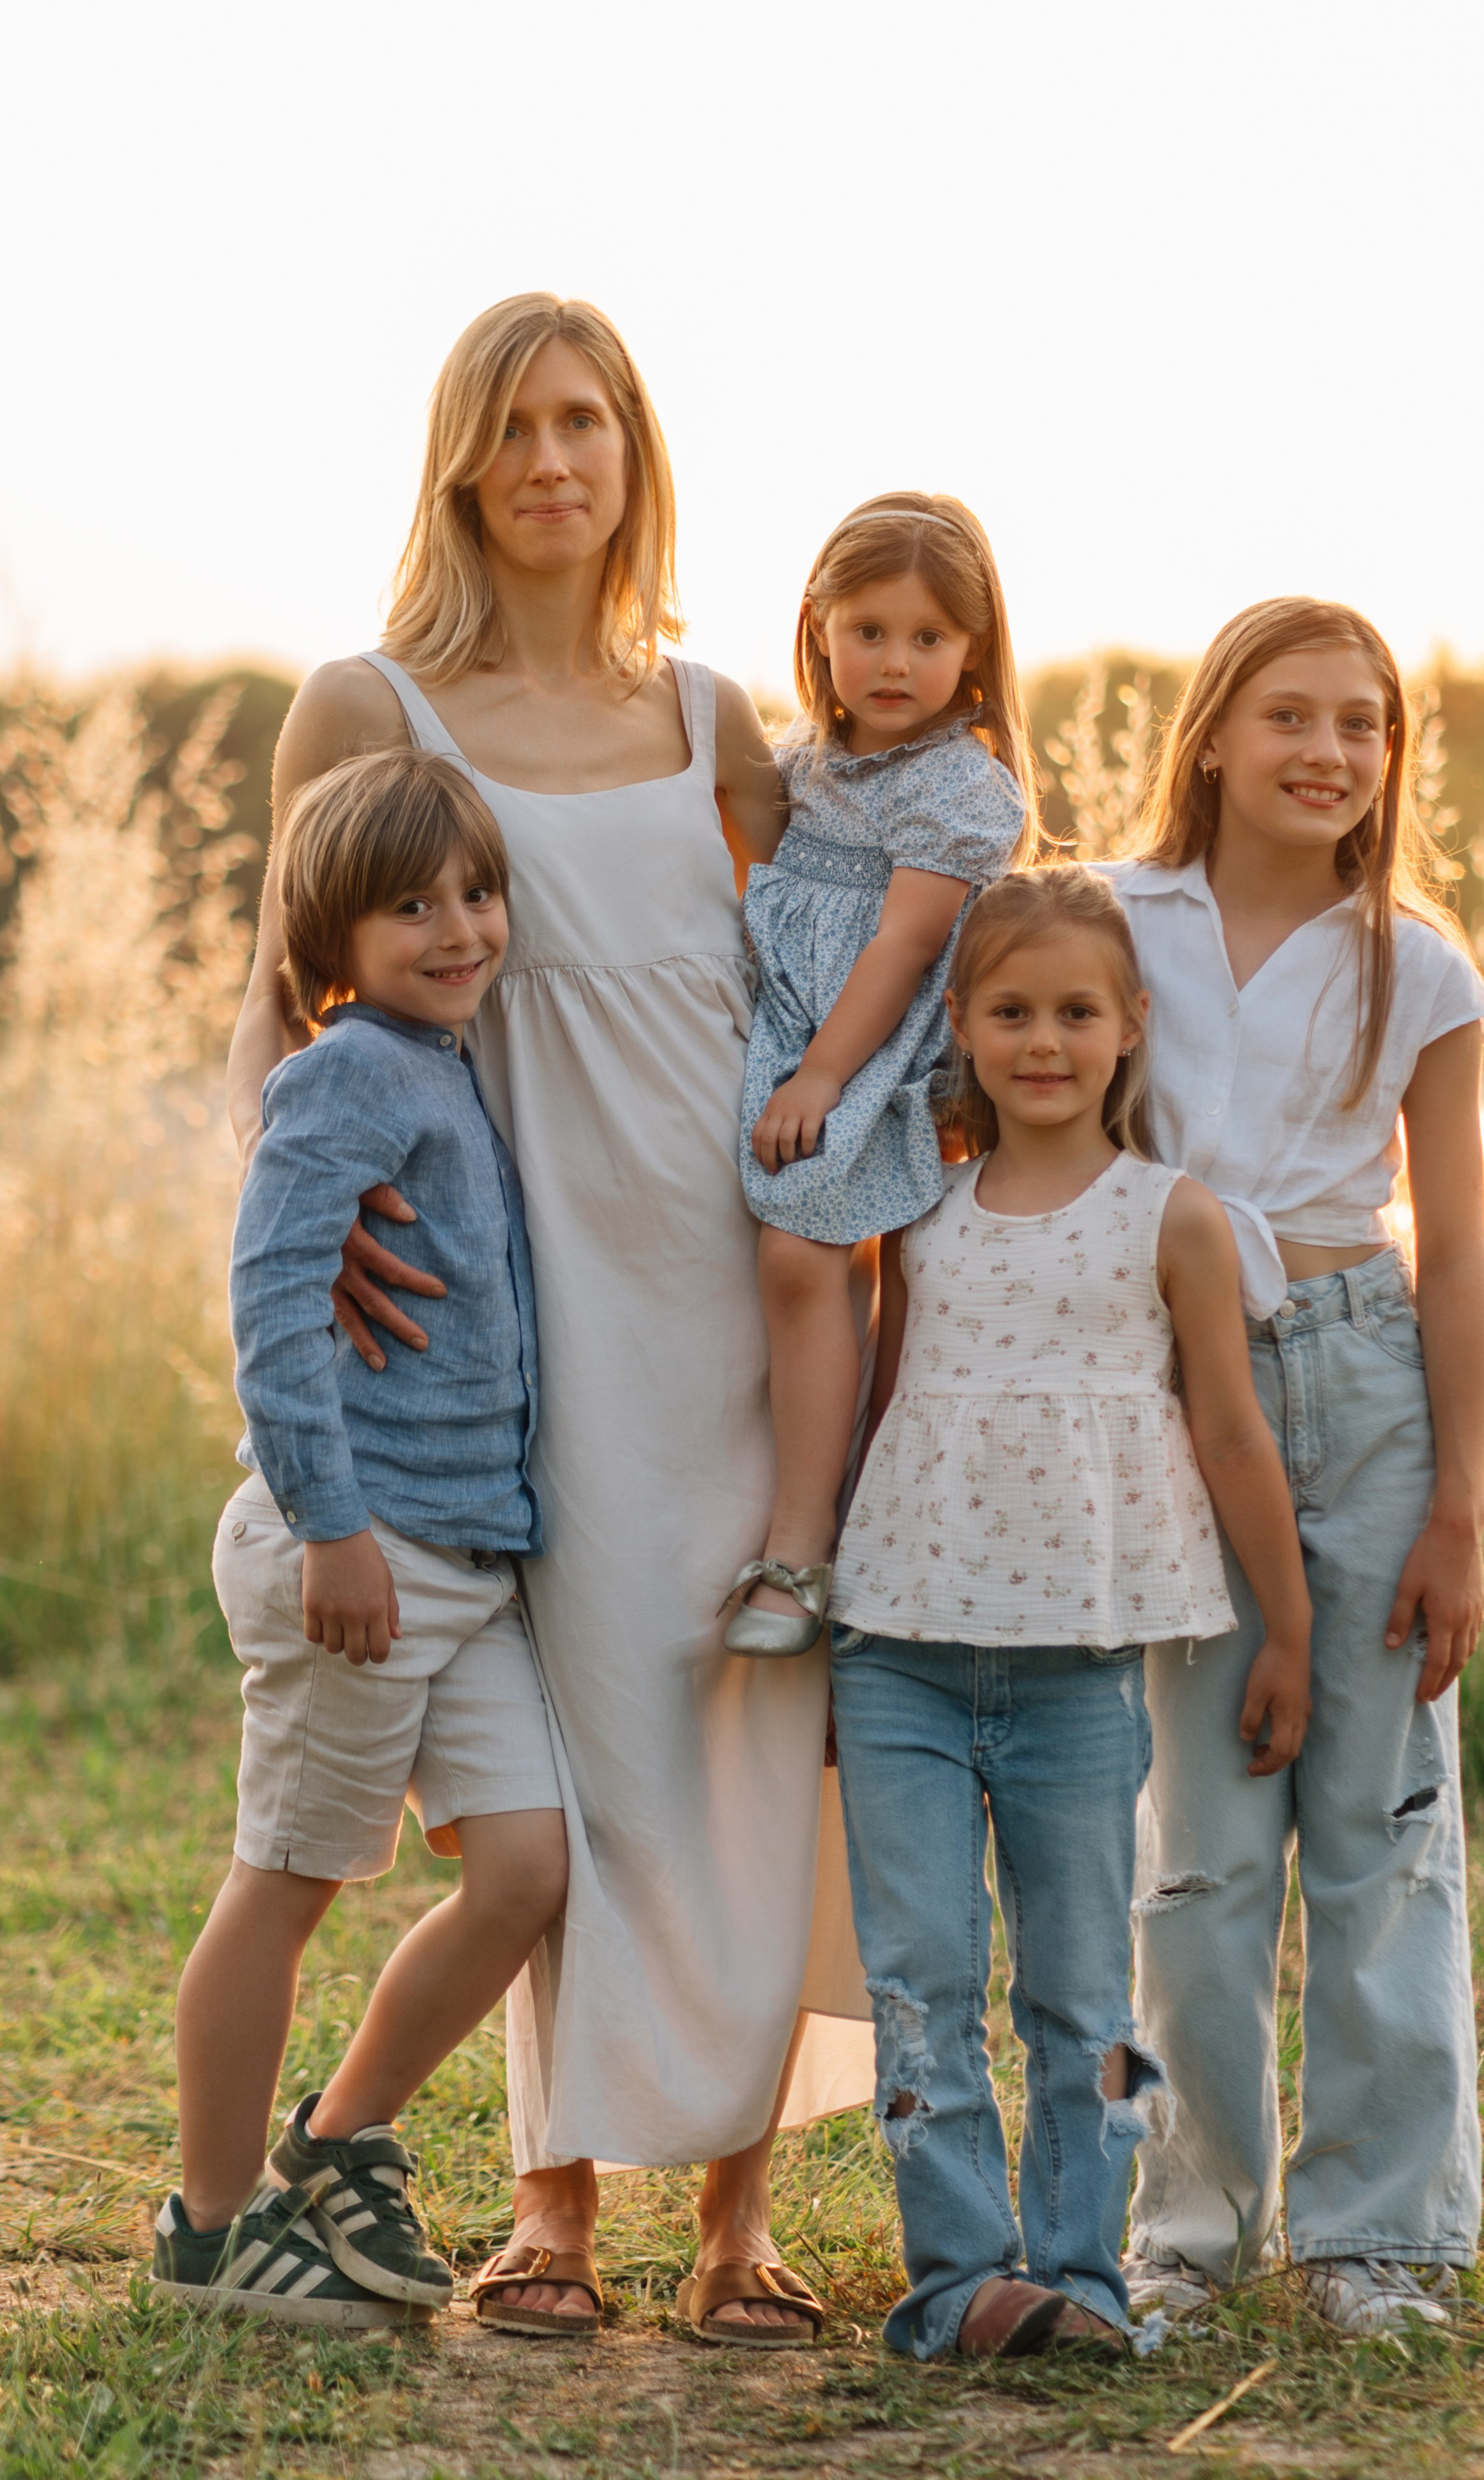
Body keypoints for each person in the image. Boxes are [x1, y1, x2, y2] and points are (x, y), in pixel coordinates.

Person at [226, 293, 871, 2347]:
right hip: (519, 1308)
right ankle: (550, 2211)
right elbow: (272, 1004)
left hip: (731, 1274)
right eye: (512, 425)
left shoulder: (714, 722)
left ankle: (740, 2220)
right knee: (581, 1750)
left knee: (755, 1725)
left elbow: (838, 987)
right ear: (458, 460)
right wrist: (299, 1223)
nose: (552, 459)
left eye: (587, 419)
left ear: (633, 449)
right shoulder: (362, 700)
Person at [825, 866, 1314, 2361]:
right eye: (1009, 1010)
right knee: (917, 1977)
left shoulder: (1171, 1221)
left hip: (1075, 1675)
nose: (1043, 1039)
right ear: (959, 1027)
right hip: (895, 1655)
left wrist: (1282, 1627)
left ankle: (1081, 2276)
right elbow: (879, 1398)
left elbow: (1231, 1435)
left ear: (1128, 1028)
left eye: (1075, 1012)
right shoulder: (916, 1214)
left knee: (1081, 1989)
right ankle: (955, 2283)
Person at [1102, 598, 1484, 2336]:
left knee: (1380, 1818)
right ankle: (1183, 2228)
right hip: (1170, 1383)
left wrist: (1458, 1509)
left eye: (1361, 722)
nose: (1327, 749)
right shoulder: (1115, 922)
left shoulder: (1414, 965)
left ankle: (1380, 2234)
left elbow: (1461, 1254)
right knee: (1192, 1842)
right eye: (1288, 714)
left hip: (1361, 1377)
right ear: (1209, 733)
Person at [158, 749, 566, 2327]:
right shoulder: (343, 1073)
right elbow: (271, 1306)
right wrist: (332, 1530)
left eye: (476, 893)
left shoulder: (451, 1058)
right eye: (411, 908)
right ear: (332, 941)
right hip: (358, 1557)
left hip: (465, 1562)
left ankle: (336, 2140)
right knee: (288, 1880)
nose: (459, 929)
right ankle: (206, 2228)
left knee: (523, 1870)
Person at [719, 496, 1036, 1656]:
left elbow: (904, 950)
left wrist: (818, 1080)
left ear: (975, 655)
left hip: (874, 1054)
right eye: (870, 630)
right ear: (818, 628)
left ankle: (802, 1546)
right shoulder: (799, 764)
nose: (896, 661)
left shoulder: (956, 784)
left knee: (806, 1253)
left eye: (930, 637)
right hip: (788, 1035)